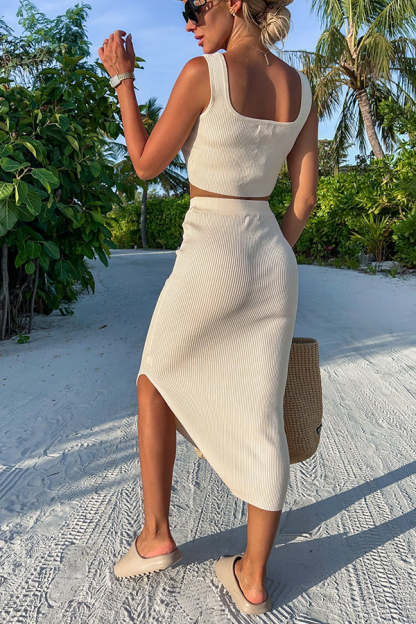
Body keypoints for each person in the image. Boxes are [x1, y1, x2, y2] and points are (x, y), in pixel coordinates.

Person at [98, 0, 318, 615]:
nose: (191, 24)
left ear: (235, 3)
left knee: (155, 379)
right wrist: (269, 253)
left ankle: (156, 536)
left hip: (211, 248)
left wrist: (122, 80)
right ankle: (253, 577)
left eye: (196, 9)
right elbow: (304, 199)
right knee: (261, 411)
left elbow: (146, 164)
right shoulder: (301, 88)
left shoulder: (206, 75)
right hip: (272, 256)